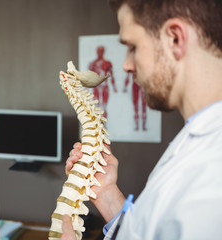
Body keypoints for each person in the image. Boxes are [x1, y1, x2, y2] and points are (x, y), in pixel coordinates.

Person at [61, 0, 222, 239]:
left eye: (133, 47)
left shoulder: (212, 172)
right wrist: (106, 193)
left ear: (175, 38)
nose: (126, 65)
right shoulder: (195, 138)